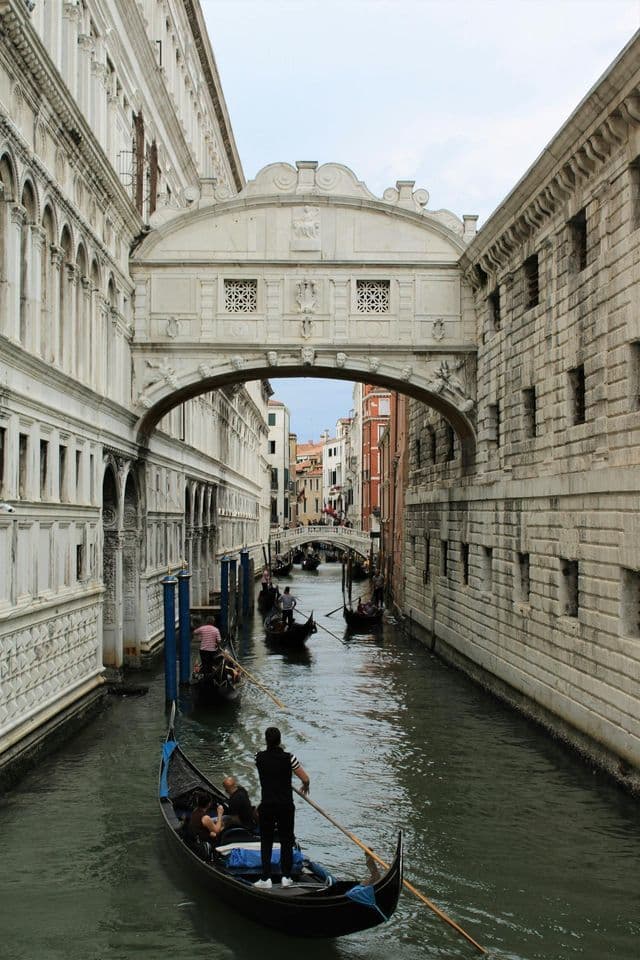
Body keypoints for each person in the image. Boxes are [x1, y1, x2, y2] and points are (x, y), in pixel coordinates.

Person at [254, 727, 310, 889]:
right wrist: (305, 785)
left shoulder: (258, 757)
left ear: (266, 740)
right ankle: (286, 877)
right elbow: (305, 778)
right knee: (286, 840)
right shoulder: (289, 758)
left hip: (268, 805)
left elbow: (266, 770)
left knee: (267, 841)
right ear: (280, 741)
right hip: (285, 806)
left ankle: (266, 878)